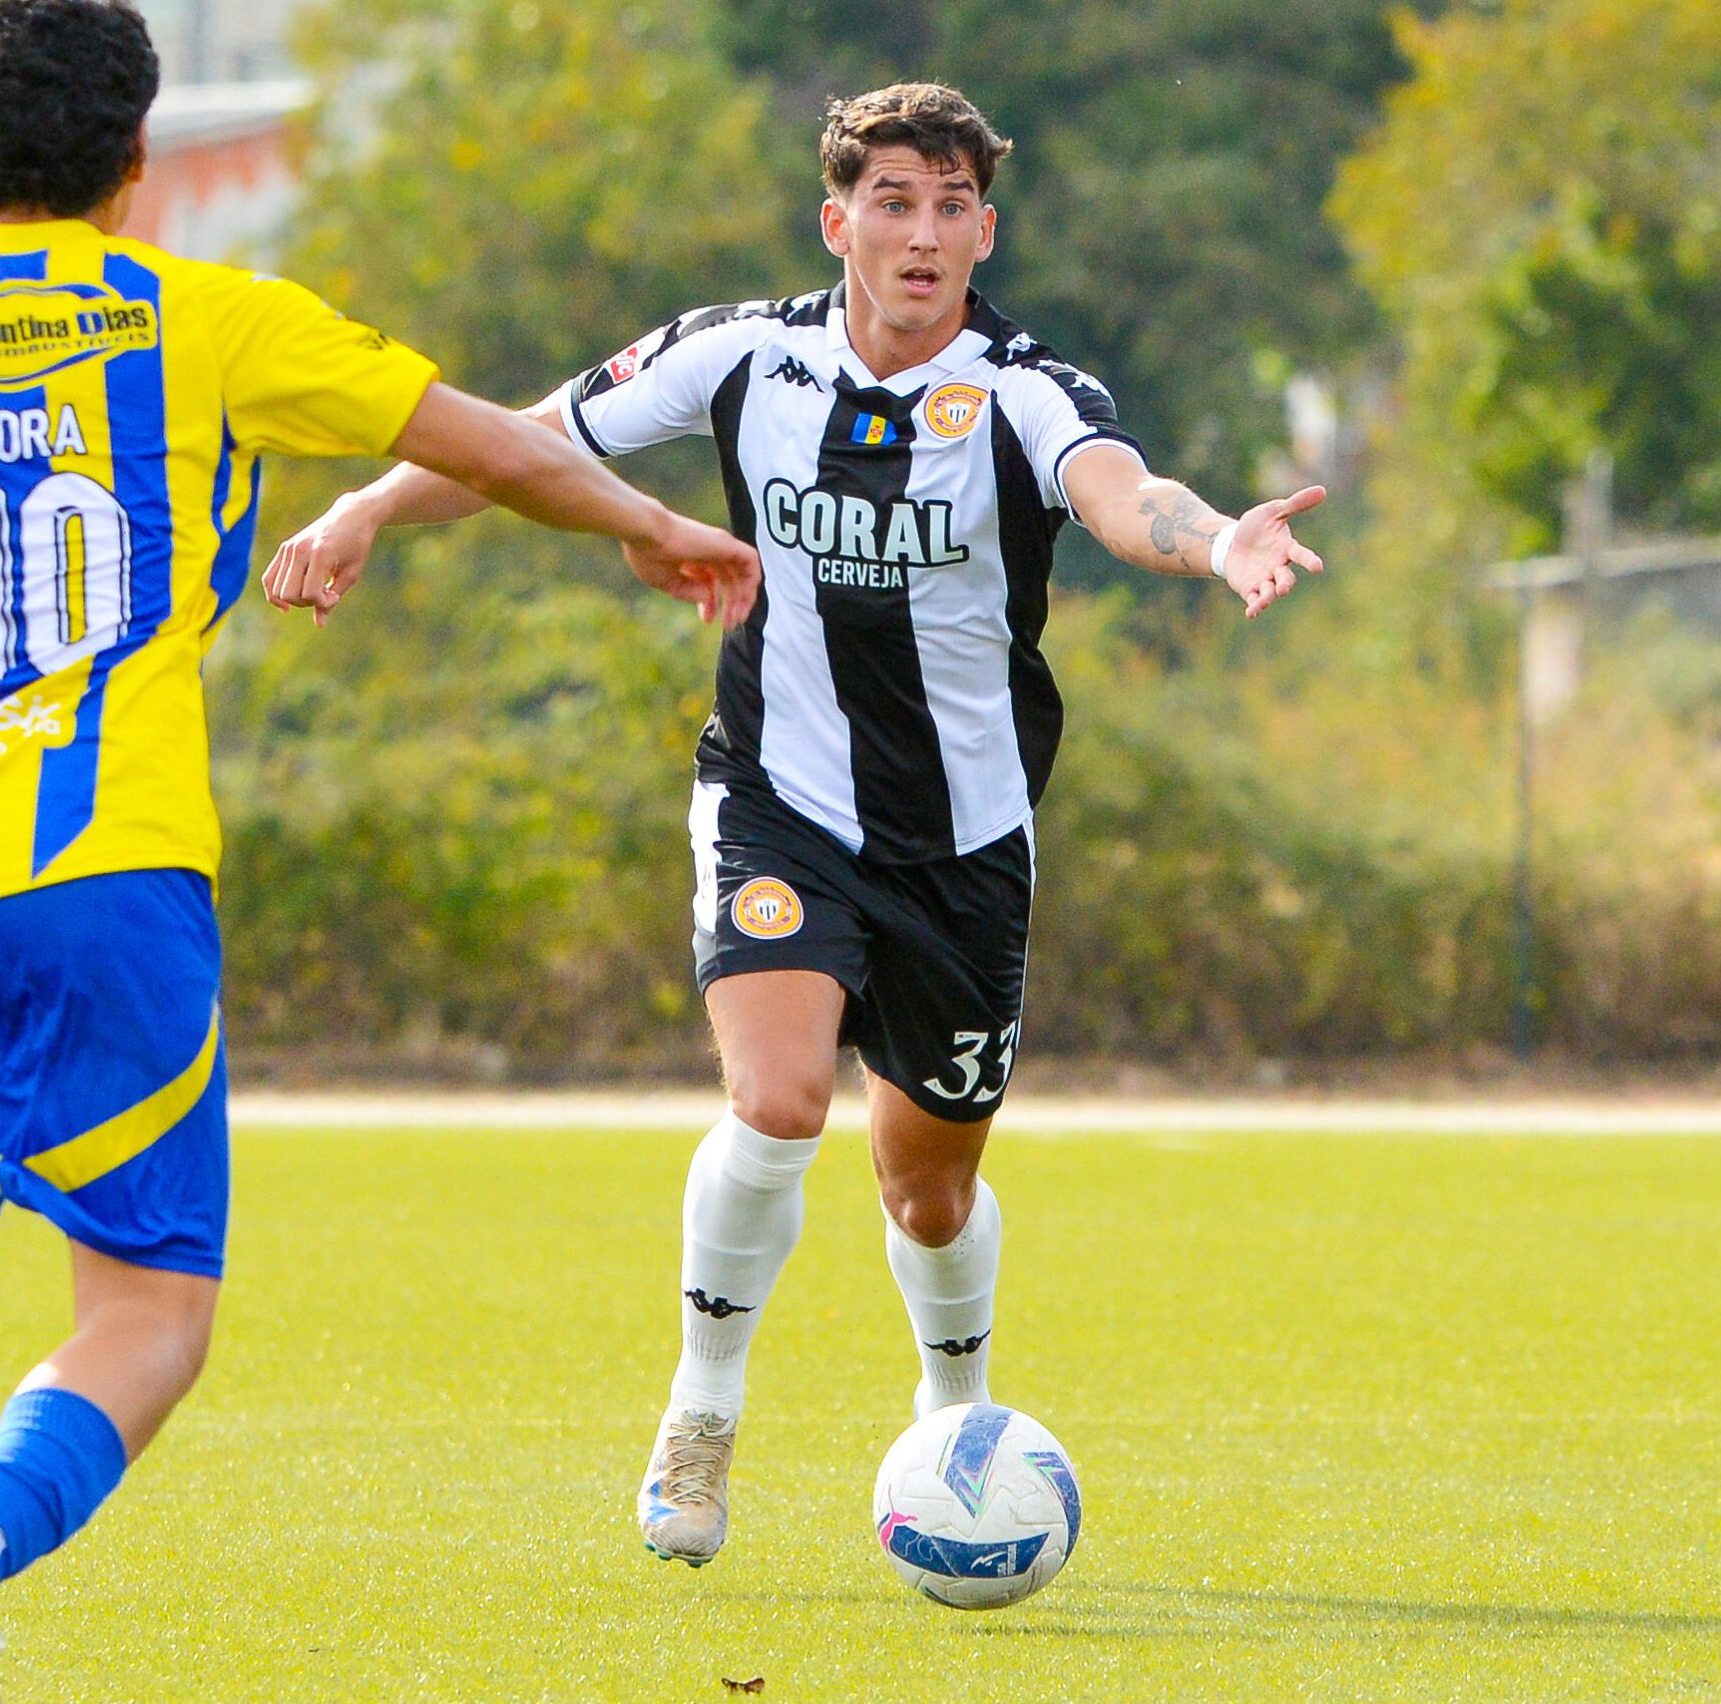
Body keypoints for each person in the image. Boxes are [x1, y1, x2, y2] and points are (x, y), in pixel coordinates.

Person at [0, 3, 757, 1697]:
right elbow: (482, 442)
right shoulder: (207, 322)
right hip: (104, 877)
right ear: (131, 160)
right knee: (150, 1313)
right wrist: (649, 520)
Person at [263, 80, 1324, 1567]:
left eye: (954, 206)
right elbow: (526, 440)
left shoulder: (1023, 389)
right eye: (894, 201)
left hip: (966, 845)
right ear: (839, 223)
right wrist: (367, 510)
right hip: (779, 798)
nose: (924, 233)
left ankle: (954, 1424)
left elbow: (1118, 492)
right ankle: (702, 1412)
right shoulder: (743, 354)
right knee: (775, 1101)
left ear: (984, 233)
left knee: (929, 1187)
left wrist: (1215, 539)